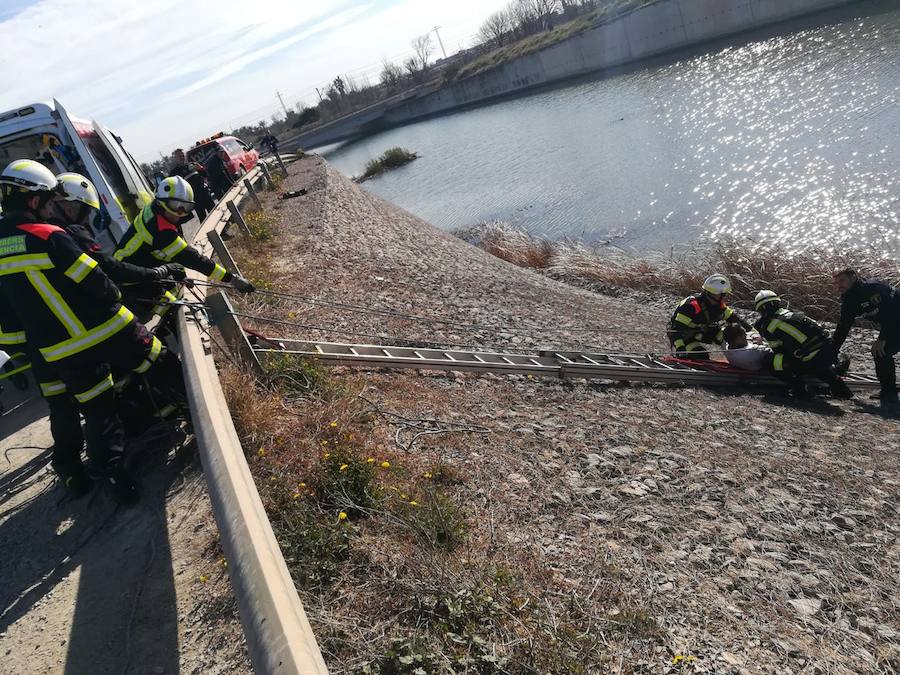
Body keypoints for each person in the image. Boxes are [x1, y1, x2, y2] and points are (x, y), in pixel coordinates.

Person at [0, 160, 182, 504]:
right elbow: (96, 278)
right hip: (106, 330)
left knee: (99, 413)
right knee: (158, 359)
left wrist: (32, 351)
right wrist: (115, 297)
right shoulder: (49, 235)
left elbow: (6, 319)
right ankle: (192, 409)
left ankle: (115, 478)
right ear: (34, 199)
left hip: (58, 352)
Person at [112, 176, 254, 320]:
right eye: (176, 205)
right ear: (162, 201)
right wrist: (231, 279)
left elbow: (169, 253)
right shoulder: (162, 230)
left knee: (174, 296)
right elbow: (193, 259)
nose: (180, 212)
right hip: (130, 278)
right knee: (166, 306)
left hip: (141, 266)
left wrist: (181, 274)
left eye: (186, 207)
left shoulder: (156, 210)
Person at [753, 290, 853, 400]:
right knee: (821, 367)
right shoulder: (794, 314)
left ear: (760, 309)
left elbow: (778, 351)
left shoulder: (769, 326)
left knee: (771, 360)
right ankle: (840, 388)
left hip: (809, 361)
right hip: (827, 354)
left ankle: (799, 388)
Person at [832, 268, 900, 414]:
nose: (839, 285)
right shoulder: (849, 299)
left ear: (853, 278)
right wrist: (832, 350)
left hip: (896, 317)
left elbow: (892, 313)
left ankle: (890, 395)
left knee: (882, 349)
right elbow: (843, 327)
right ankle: (888, 392)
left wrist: (882, 338)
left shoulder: (872, 288)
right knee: (879, 352)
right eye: (836, 283)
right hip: (894, 323)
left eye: (842, 280)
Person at [668, 274, 751, 359]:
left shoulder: (719, 306)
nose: (723, 298)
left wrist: (752, 331)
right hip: (683, 336)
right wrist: (680, 348)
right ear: (710, 294)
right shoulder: (691, 306)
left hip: (702, 331)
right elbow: (676, 330)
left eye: (724, 295)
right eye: (721, 295)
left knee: (733, 333)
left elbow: (735, 319)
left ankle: (740, 358)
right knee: (701, 356)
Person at [169, 148, 215, 221]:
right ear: (175, 158)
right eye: (179, 156)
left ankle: (223, 231)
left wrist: (201, 169)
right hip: (194, 199)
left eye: (182, 155)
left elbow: (205, 175)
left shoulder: (192, 164)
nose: (182, 157)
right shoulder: (174, 173)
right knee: (203, 218)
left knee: (214, 213)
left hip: (205, 193)